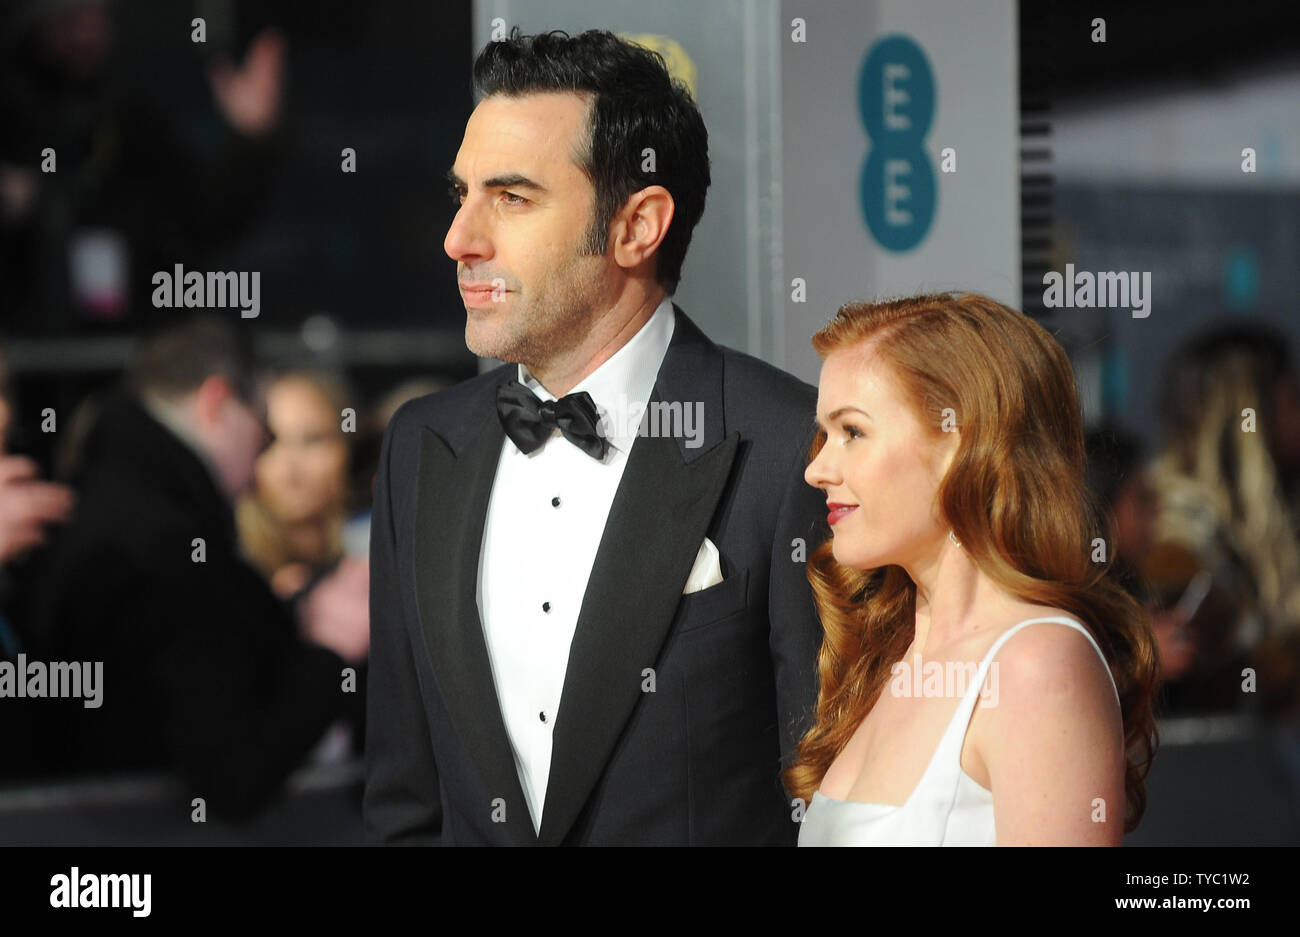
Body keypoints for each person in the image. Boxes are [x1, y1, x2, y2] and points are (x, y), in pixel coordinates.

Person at [364, 29, 825, 845]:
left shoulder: (788, 447)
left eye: (510, 197)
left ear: (637, 226)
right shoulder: (420, 447)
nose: (460, 239)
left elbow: (826, 802)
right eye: (460, 193)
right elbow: (406, 800)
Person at [790, 293, 1159, 846]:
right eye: (825, 434)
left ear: (961, 444)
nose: (817, 469)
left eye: (853, 432)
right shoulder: (891, 655)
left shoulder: (1036, 665)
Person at [24, 317, 368, 818]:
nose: (265, 459)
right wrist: (329, 650)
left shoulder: (104, 503)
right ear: (218, 404)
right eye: (265, 431)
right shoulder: (166, 550)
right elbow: (233, 773)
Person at [1148, 323, 1300, 718]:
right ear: (1245, 416)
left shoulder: (1263, 518)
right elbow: (1230, 682)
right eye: (1293, 399)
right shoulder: (1172, 535)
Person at [238, 370, 356, 600]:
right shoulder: (223, 566)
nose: (289, 470)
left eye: (312, 440)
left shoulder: (383, 552)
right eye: (268, 444)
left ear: (346, 448)